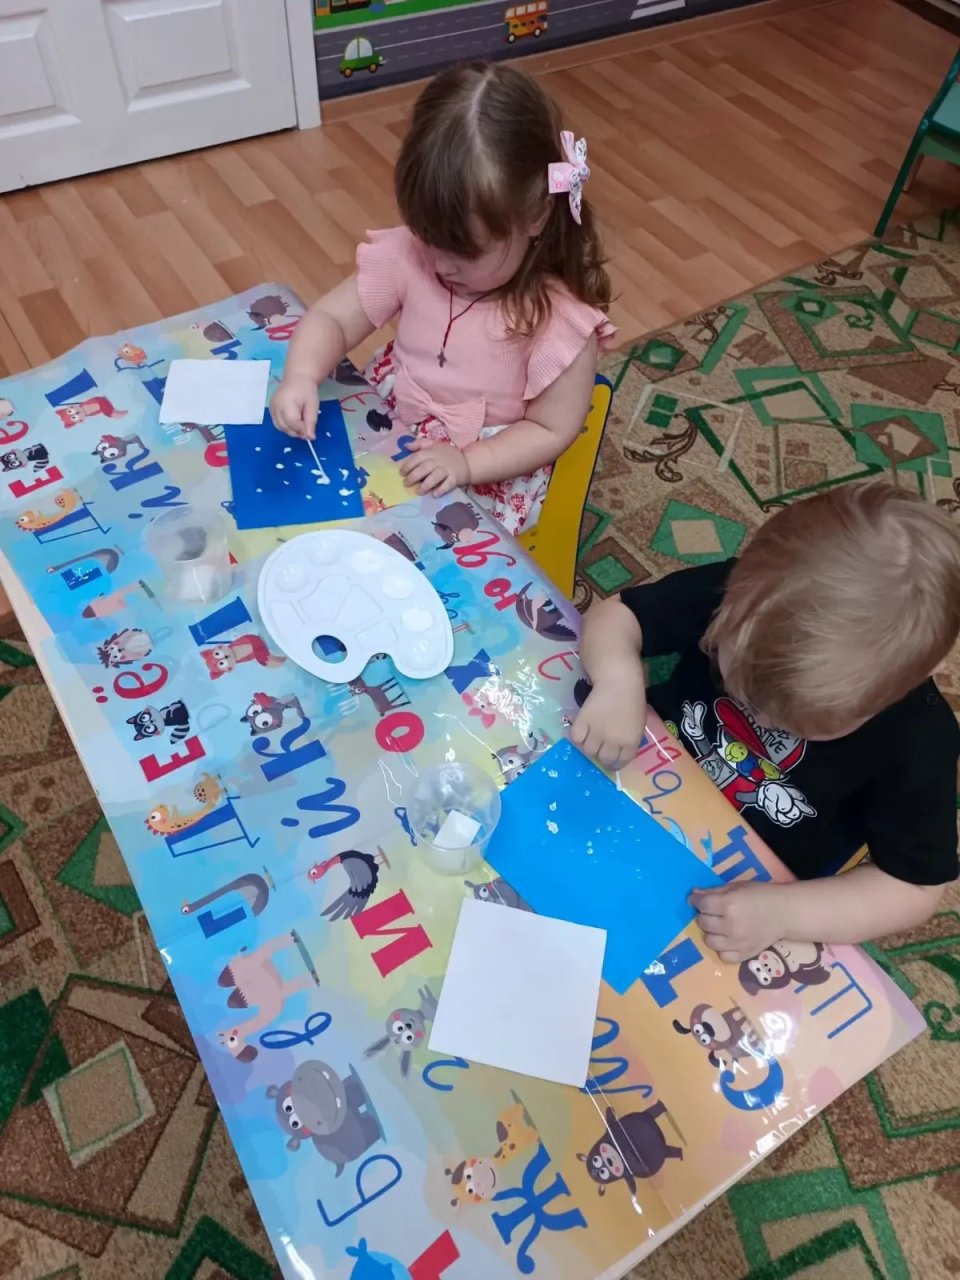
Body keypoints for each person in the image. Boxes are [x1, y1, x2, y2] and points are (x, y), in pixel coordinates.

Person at [571, 482, 960, 960]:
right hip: (632, 771)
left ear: (896, 690)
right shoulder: (750, 593)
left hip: (741, 890)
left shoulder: (920, 742)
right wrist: (618, 682)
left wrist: (783, 913)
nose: (758, 716)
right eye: (736, 679)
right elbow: (620, 615)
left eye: (795, 722)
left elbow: (913, 887)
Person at [270, 62, 615, 535]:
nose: (440, 265)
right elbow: (332, 317)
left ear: (536, 215)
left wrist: (467, 463)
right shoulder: (409, 256)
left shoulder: (558, 322)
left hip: (485, 468)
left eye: (465, 252)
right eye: (428, 239)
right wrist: (302, 376)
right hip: (393, 424)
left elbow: (550, 430)